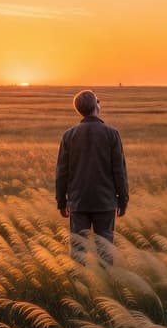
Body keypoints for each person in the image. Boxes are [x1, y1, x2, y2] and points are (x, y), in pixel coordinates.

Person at [55, 89, 128, 265]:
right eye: (98, 100)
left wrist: (61, 202)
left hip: (79, 202)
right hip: (105, 202)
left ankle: (80, 287)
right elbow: (119, 171)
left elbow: (61, 173)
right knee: (105, 252)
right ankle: (106, 286)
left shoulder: (69, 135)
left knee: (78, 252)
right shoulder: (112, 133)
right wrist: (123, 200)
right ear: (96, 106)